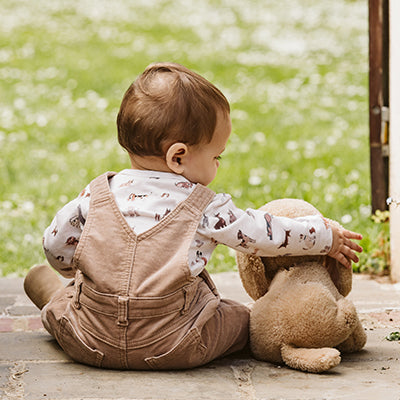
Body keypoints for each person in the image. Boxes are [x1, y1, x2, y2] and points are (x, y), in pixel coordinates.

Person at [24, 62, 363, 370]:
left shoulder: (94, 196)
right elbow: (263, 235)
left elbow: (55, 246)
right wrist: (324, 236)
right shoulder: (204, 206)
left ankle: (51, 295)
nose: (218, 164)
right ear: (179, 157)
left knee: (70, 302)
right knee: (239, 319)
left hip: (90, 342)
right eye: (218, 156)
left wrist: (74, 272)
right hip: (175, 345)